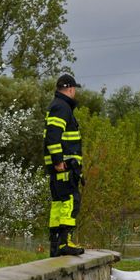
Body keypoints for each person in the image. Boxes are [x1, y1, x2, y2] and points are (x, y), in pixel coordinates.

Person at [43, 74, 85, 256]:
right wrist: (59, 160)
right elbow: (53, 135)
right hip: (65, 166)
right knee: (70, 201)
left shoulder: (57, 106)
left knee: (59, 204)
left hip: (62, 165)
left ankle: (55, 245)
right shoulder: (62, 107)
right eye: (74, 89)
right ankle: (64, 243)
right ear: (70, 89)